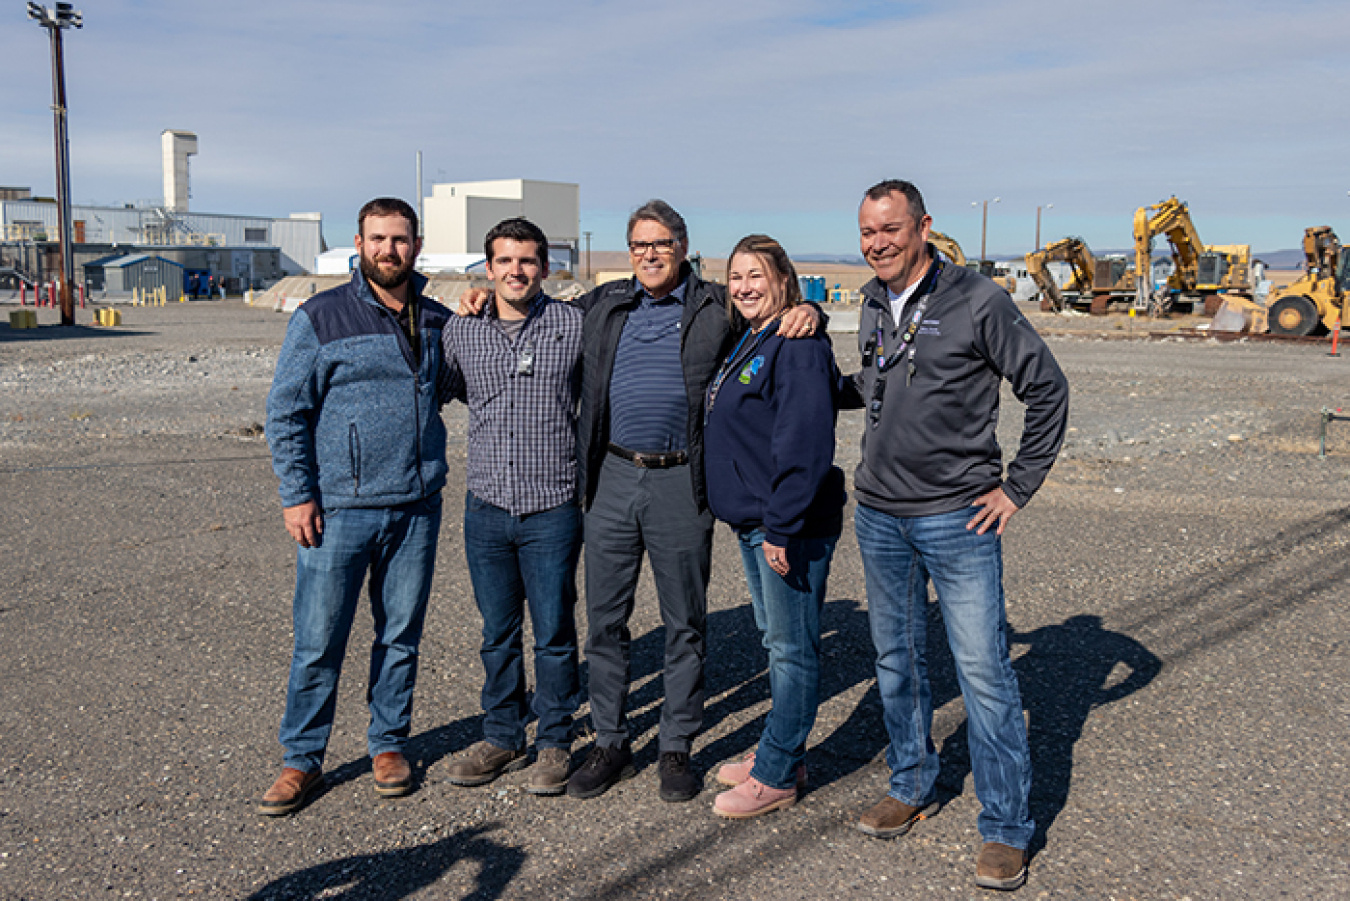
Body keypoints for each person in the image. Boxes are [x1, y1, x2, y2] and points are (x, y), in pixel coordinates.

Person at [844, 180, 1068, 891]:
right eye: (866, 232)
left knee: (984, 672)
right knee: (897, 660)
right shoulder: (873, 301)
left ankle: (1005, 827)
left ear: (923, 227)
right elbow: (874, 381)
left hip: (957, 517)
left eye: (889, 229)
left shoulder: (978, 300)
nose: (876, 242)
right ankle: (911, 784)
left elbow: (1048, 389)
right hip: (879, 514)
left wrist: (1017, 486)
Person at [260, 197, 449, 816]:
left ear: (416, 246)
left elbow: (472, 374)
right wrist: (298, 494)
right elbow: (286, 410)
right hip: (338, 510)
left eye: (399, 240)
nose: (388, 250)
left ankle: (388, 744)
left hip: (416, 507)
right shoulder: (322, 317)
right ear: (359, 244)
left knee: (400, 636)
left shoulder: (438, 320)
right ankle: (301, 758)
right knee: (318, 640)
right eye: (378, 239)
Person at [436, 217, 584, 796]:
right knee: (497, 632)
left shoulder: (574, 326)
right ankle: (501, 734)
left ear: (545, 268)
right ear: (488, 268)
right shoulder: (461, 332)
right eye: (504, 261)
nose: (516, 271)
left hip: (552, 504)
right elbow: (433, 387)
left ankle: (554, 740)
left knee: (552, 631)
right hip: (488, 506)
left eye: (527, 261)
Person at [702, 235, 846, 818]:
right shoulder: (756, 337)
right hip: (755, 520)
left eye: (756, 274)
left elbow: (805, 444)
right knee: (776, 641)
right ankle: (781, 749)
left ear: (783, 277)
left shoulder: (798, 344)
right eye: (735, 276)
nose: (744, 286)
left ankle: (778, 773)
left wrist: (782, 527)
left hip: (786, 526)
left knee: (792, 650)